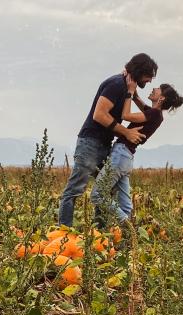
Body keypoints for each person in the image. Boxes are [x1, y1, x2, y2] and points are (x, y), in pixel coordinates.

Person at [57, 53, 158, 227]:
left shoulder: (125, 88)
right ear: (140, 72)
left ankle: (98, 233)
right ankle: (63, 232)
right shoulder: (116, 84)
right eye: (148, 76)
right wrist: (126, 133)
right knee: (74, 190)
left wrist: (132, 95)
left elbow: (149, 112)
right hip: (90, 143)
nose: (149, 81)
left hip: (104, 144)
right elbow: (99, 115)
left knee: (105, 190)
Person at [92, 80, 183, 229]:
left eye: (158, 89)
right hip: (126, 158)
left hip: (120, 156)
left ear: (161, 99)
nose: (154, 88)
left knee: (98, 195)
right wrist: (133, 91)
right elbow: (141, 103)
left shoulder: (154, 113)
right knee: (125, 205)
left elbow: (126, 115)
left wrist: (128, 93)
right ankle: (128, 241)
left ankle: (126, 224)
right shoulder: (155, 114)